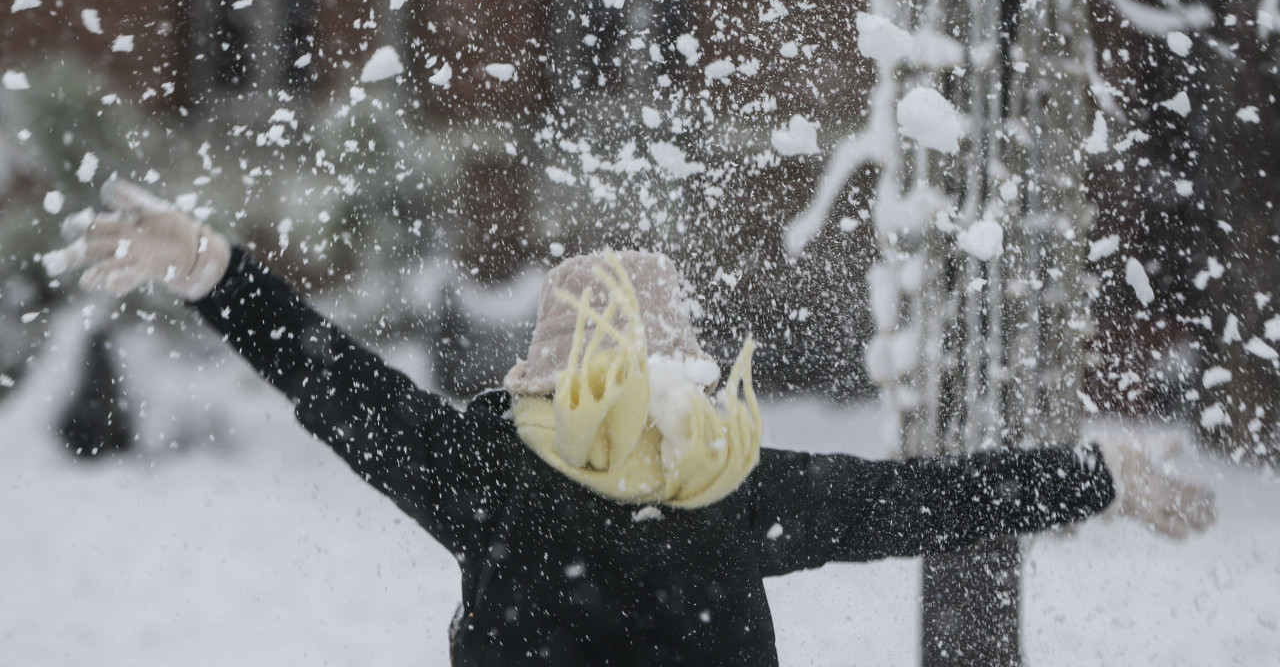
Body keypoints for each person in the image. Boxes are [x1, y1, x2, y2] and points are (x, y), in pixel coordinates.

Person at [45, 178, 1214, 666]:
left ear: (541, 371)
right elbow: (927, 500)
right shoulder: (735, 490)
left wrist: (217, 274)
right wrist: (1096, 474)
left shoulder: (484, 477)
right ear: (686, 371)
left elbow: (340, 389)